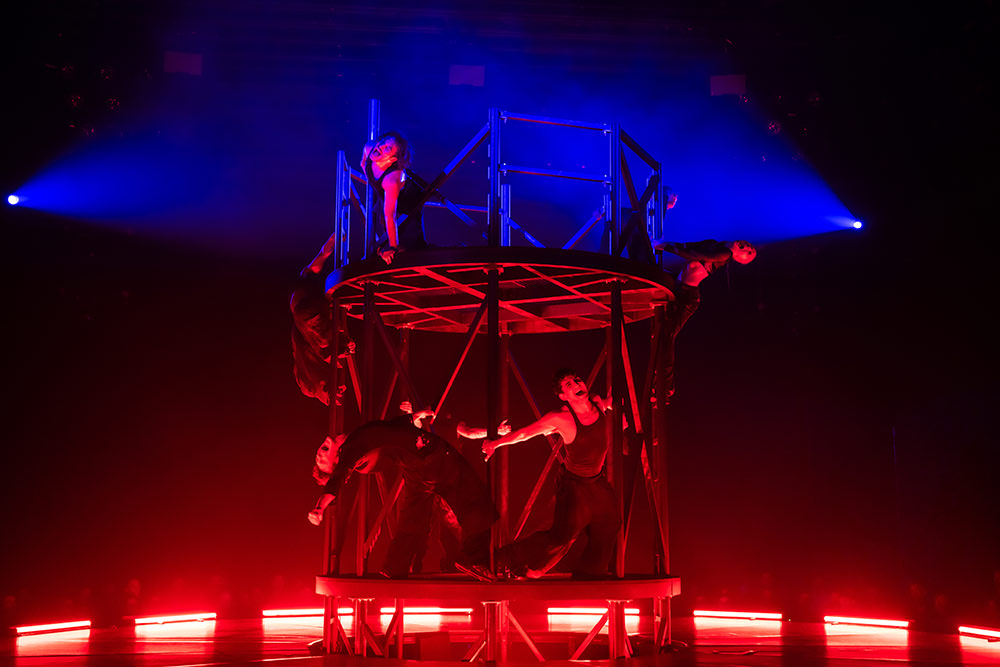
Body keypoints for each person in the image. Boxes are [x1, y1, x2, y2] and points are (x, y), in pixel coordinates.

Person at [309, 419, 497, 580]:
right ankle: (475, 559)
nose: (319, 454)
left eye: (318, 456)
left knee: (413, 519)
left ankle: (394, 567)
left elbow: (390, 426)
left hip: (415, 466)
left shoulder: (356, 437)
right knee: (474, 496)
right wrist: (320, 507)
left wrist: (414, 416)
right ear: (337, 460)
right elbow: (339, 477)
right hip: (428, 456)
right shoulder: (351, 449)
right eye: (323, 460)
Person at [482, 368, 621, 579]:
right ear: (563, 396)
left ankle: (589, 572)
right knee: (562, 537)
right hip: (573, 484)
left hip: (596, 481)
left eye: (577, 380)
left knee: (610, 521)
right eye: (568, 385)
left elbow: (609, 402)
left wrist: (618, 401)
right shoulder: (561, 418)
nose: (576, 385)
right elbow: (524, 434)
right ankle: (503, 559)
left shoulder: (597, 403)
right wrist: (496, 443)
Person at [653, 239, 757, 402]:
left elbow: (694, 254)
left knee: (667, 336)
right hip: (678, 288)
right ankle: (662, 385)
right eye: (750, 247)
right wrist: (666, 244)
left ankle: (666, 387)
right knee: (663, 335)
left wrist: (665, 246)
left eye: (749, 252)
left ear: (739, 257)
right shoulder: (715, 245)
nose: (749, 247)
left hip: (687, 298)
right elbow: (689, 247)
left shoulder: (724, 254)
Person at [361, 132, 428, 264]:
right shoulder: (370, 148)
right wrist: (372, 179)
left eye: (387, 149)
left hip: (408, 199)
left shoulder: (392, 179)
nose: (380, 147)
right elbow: (363, 163)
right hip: (385, 193)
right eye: (383, 142)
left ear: (392, 159)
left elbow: (390, 215)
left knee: (411, 246)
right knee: (383, 225)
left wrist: (393, 247)